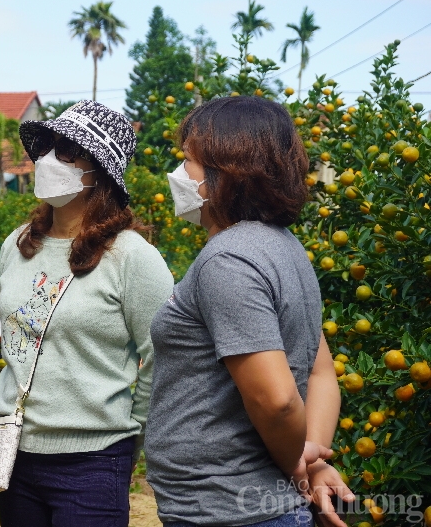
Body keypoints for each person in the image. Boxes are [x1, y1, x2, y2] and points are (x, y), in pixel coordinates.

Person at [145, 96, 354, 527]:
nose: (179, 175)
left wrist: (297, 462)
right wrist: (311, 459)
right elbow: (320, 373)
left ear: (229, 172)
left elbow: (276, 402)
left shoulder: (229, 261)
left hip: (228, 508)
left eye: (188, 162)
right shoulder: (285, 248)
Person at [0, 100, 174, 527]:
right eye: (49, 147)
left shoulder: (132, 258)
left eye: (70, 150)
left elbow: (164, 355)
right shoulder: (16, 245)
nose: (51, 159)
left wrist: (131, 433)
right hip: (14, 454)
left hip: (92, 462)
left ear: (101, 172)